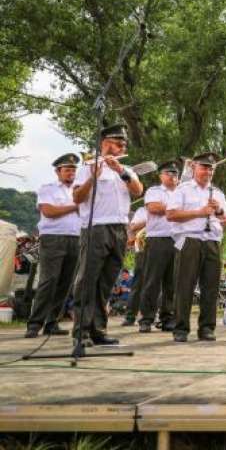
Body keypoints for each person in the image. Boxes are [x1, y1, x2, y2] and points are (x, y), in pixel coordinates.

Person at [71, 124, 143, 350]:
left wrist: (120, 170)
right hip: (96, 227)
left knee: (106, 283)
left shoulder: (126, 169)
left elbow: (138, 190)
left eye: (124, 145)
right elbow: (77, 197)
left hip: (120, 228)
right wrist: (93, 178)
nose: (122, 148)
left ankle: (99, 331)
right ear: (104, 143)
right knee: (87, 280)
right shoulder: (87, 167)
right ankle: (81, 332)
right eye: (118, 144)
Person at [166, 152, 226, 342]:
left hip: (212, 241)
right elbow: (171, 215)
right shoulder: (183, 189)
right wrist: (199, 213)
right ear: (194, 167)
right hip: (189, 240)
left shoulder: (218, 193)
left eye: (211, 169)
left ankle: (207, 328)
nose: (208, 172)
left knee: (211, 287)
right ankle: (181, 328)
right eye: (204, 168)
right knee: (184, 286)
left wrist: (219, 210)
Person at [26, 154, 81, 338]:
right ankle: (35, 323)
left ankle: (52, 322)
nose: (71, 173)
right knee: (49, 280)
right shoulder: (48, 188)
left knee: (66, 283)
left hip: (76, 238)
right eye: (67, 170)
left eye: (73, 170)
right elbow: (49, 211)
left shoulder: (80, 190)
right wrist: (75, 206)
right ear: (58, 172)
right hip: (53, 238)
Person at [137, 159, 181, 333]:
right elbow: (154, 207)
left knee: (173, 281)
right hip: (158, 239)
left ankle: (167, 316)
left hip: (178, 239)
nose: (173, 176)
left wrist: (175, 209)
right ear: (161, 175)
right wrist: (178, 208)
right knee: (152, 280)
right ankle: (146, 318)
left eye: (175, 173)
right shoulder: (154, 191)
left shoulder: (182, 192)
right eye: (169, 173)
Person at [122, 206, 147, 326]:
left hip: (160, 249)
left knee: (157, 285)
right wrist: (149, 221)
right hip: (142, 250)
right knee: (138, 284)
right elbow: (133, 227)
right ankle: (130, 316)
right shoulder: (142, 211)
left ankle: (149, 316)